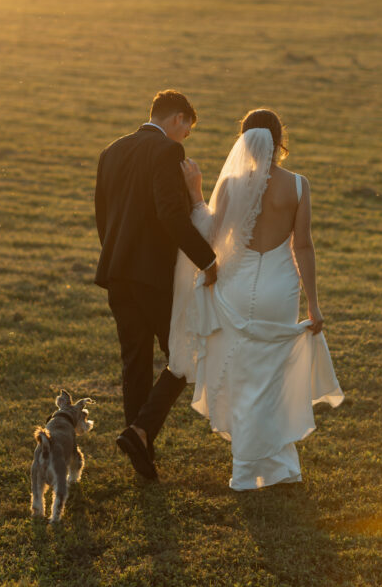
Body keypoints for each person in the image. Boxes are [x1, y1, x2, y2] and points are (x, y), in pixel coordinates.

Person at [168, 108, 343, 490]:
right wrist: (314, 303)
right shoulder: (298, 185)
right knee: (272, 377)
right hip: (279, 289)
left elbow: (213, 236)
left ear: (244, 141)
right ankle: (281, 465)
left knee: (244, 376)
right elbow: (304, 246)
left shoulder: (231, 184)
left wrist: (197, 195)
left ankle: (247, 469)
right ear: (280, 142)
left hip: (237, 285)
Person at [94, 90, 217, 480]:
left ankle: (141, 455)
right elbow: (170, 214)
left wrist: (118, 259)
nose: (184, 141)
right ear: (179, 119)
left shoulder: (111, 151)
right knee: (183, 356)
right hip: (153, 277)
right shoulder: (167, 152)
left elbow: (104, 217)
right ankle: (139, 433)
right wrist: (208, 260)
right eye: (187, 131)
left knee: (135, 364)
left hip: (117, 273)